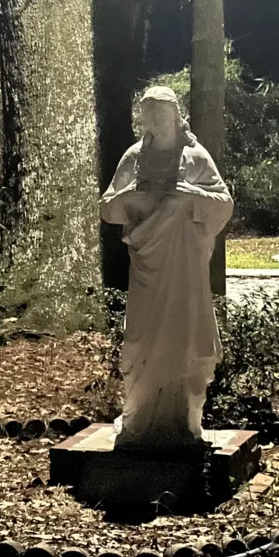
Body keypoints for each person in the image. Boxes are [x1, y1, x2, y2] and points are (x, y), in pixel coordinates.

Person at [100, 86, 233, 453]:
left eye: (161, 112)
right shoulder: (134, 157)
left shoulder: (194, 156)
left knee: (184, 334)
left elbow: (223, 203)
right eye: (149, 113)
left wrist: (189, 194)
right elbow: (108, 208)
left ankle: (184, 420)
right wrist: (131, 197)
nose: (155, 120)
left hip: (184, 265)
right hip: (147, 266)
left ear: (176, 115)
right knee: (141, 339)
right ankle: (139, 417)